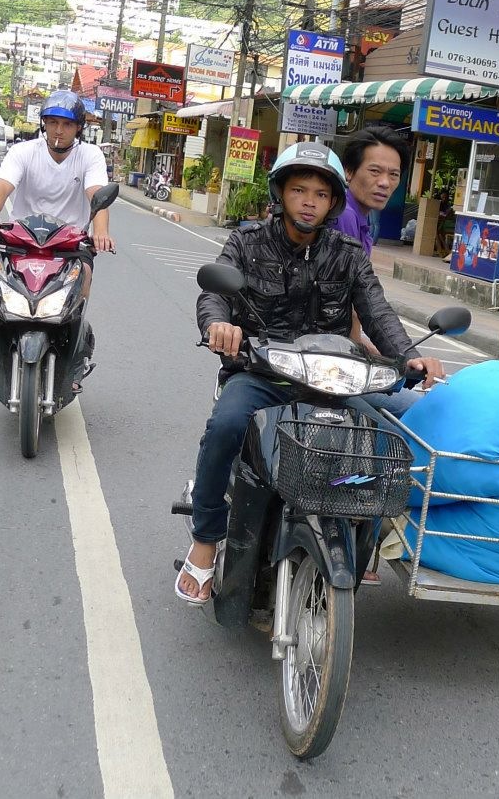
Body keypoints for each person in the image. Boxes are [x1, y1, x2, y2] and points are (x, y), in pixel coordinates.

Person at [176, 142, 444, 605]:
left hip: (333, 381)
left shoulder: (348, 253)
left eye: (320, 194)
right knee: (224, 427)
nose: (308, 202)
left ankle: (373, 532)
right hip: (263, 374)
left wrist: (407, 357)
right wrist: (218, 324)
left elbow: (376, 310)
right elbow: (214, 291)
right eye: (299, 190)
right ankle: (205, 539)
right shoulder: (246, 242)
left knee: (404, 427)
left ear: (333, 202)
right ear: (280, 193)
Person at [0, 90, 114, 391]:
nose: (59, 130)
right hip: (22, 240)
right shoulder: (23, 152)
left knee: (83, 279)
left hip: (70, 244)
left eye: (67, 124)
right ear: (43, 124)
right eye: (53, 122)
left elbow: (97, 196)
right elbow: (1, 187)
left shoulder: (90, 155)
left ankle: (74, 358)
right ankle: (1, 350)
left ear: (78, 129)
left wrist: (100, 232)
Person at [335, 126, 410, 256]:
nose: (385, 183)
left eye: (393, 174)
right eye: (375, 171)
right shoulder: (344, 216)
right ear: (348, 171)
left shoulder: (356, 216)